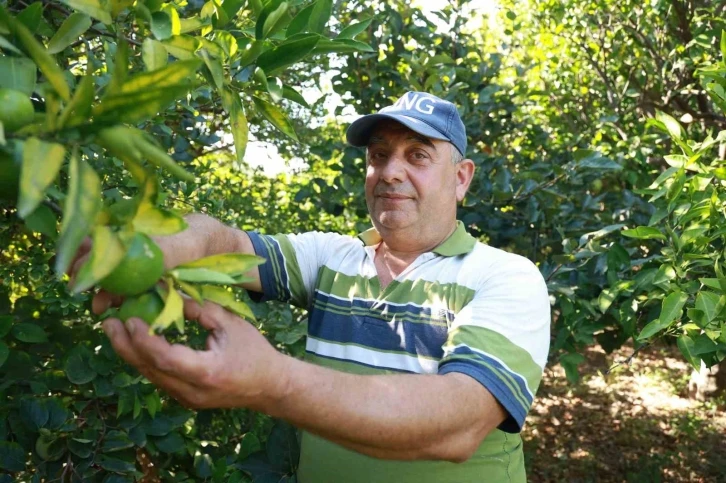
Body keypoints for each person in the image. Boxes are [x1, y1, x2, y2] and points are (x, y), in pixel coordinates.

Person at [74, 91, 550, 482]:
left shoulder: (504, 276)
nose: (390, 172)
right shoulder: (334, 258)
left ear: (461, 179)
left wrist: (272, 382)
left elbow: (457, 426)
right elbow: (223, 241)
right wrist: (154, 246)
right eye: (379, 155)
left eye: (417, 155)